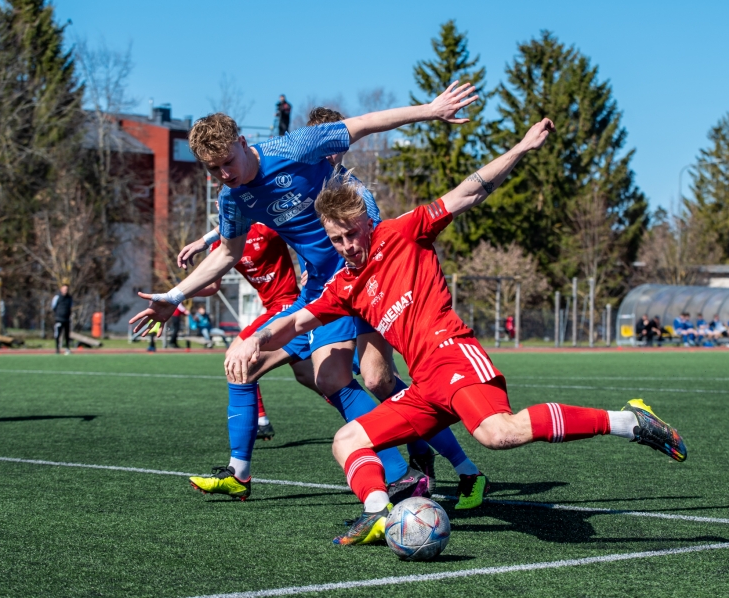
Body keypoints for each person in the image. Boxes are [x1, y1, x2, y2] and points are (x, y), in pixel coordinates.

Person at [225, 118, 688, 545]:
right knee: (347, 440)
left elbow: (470, 191)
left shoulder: (404, 233)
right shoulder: (343, 284)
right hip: (426, 385)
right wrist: (253, 340)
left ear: (367, 221)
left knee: (498, 433)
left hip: (454, 357)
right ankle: (379, 513)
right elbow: (296, 321)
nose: (347, 246)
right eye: (336, 239)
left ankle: (628, 420)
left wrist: (521, 148)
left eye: (352, 233)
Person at [131, 82, 482, 504]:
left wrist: (430, 109)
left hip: (362, 278)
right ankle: (248, 472)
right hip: (319, 289)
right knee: (268, 365)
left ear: (243, 143)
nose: (223, 175)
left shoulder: (296, 146)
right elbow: (228, 252)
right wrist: (175, 295)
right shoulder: (232, 199)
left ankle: (453, 469)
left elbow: (365, 123)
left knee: (375, 378)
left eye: (227, 163)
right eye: (212, 170)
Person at [178, 221, 312, 442]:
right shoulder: (223, 244)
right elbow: (212, 286)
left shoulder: (264, 228)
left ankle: (259, 422)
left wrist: (311, 269)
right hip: (272, 308)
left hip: (288, 304)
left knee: (236, 354)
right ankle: (358, 412)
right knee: (310, 377)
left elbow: (301, 235)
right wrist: (178, 294)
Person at [52, 284, 72, 355]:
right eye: (64, 289)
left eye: (67, 289)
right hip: (59, 319)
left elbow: (70, 306)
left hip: (67, 319)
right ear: (61, 289)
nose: (65, 291)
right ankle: (57, 349)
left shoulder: (69, 298)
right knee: (57, 334)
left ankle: (67, 348)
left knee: (67, 335)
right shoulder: (57, 297)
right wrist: (58, 314)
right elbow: (53, 306)